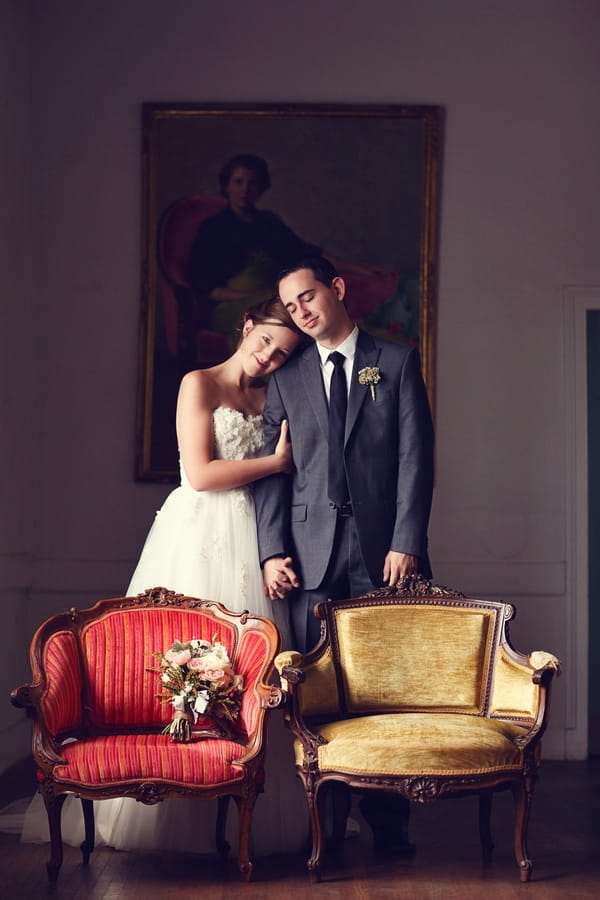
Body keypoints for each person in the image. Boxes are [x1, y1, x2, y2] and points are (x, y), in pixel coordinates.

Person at [5, 297, 309, 857]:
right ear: (247, 326)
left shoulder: (275, 394)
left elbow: (280, 488)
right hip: (199, 528)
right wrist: (276, 462)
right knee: (176, 661)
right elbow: (199, 473)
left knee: (251, 673)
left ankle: (252, 813)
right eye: (265, 341)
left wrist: (277, 545)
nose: (268, 358)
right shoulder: (199, 383)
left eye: (281, 353)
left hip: (255, 533)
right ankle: (161, 808)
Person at [253, 256, 434, 855]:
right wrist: (271, 550)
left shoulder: (398, 362)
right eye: (291, 305)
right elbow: (276, 475)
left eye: (308, 297)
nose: (301, 312)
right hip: (309, 558)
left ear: (336, 290)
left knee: (387, 688)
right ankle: (323, 826)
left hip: (386, 554)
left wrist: (407, 539)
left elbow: (415, 461)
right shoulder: (288, 375)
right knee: (316, 690)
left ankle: (390, 827)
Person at [187, 153, 395, 352]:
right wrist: (254, 296)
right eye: (238, 182)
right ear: (227, 185)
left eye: (252, 183)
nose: (245, 190)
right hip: (229, 307)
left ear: (260, 187)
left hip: (270, 299)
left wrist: (362, 269)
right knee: (280, 317)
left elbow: (308, 254)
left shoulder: (268, 224)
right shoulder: (213, 229)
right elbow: (205, 287)